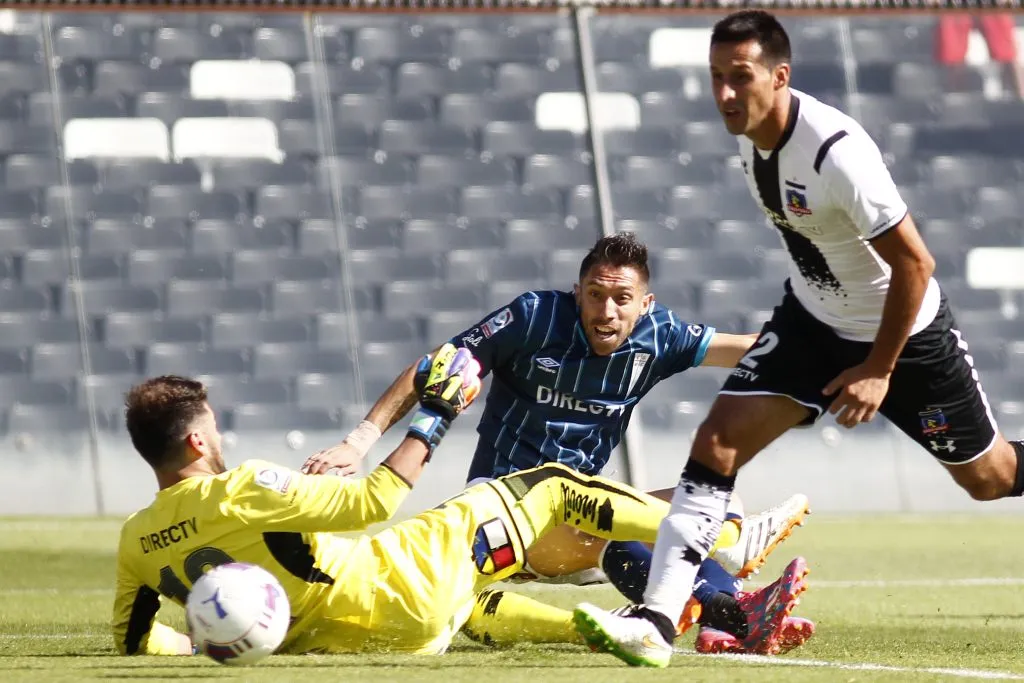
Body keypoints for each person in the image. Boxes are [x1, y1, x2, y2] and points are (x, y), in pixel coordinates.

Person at [573, 9, 1024, 668]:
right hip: (811, 322)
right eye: (717, 78)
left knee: (990, 477)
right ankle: (657, 621)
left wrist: (878, 367)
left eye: (742, 78)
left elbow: (914, 264)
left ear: (780, 77)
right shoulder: (750, 136)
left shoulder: (835, 152)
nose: (726, 94)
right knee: (717, 441)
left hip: (904, 333)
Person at [301, 232, 814, 654]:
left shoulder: (660, 337)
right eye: (595, 294)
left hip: (583, 510)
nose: (607, 310)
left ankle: (721, 609)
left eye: (621, 299)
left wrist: (833, 355)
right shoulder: (534, 318)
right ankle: (732, 600)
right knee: (643, 529)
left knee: (714, 504)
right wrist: (361, 439)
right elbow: (439, 367)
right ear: (577, 293)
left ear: (646, 305)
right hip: (505, 509)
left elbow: (747, 351)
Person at [110, 358, 804, 657]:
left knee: (474, 595)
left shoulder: (137, 540)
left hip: (372, 637)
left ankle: (618, 627)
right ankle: (721, 537)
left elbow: (132, 638)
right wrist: (434, 419)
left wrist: (207, 637)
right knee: (551, 488)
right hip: (404, 579)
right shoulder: (242, 485)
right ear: (199, 437)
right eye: (215, 427)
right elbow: (369, 502)